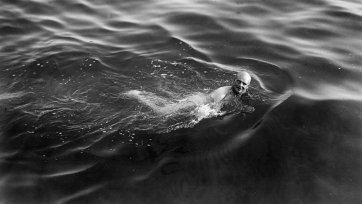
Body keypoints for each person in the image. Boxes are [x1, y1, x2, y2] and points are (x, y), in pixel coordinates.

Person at [125, 71, 252, 114]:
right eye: (238, 81)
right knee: (160, 112)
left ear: (247, 86)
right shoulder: (223, 92)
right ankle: (137, 96)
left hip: (200, 98)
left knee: (167, 106)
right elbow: (214, 108)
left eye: (244, 84)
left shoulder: (239, 92)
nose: (240, 85)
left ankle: (143, 95)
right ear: (234, 80)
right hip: (197, 102)